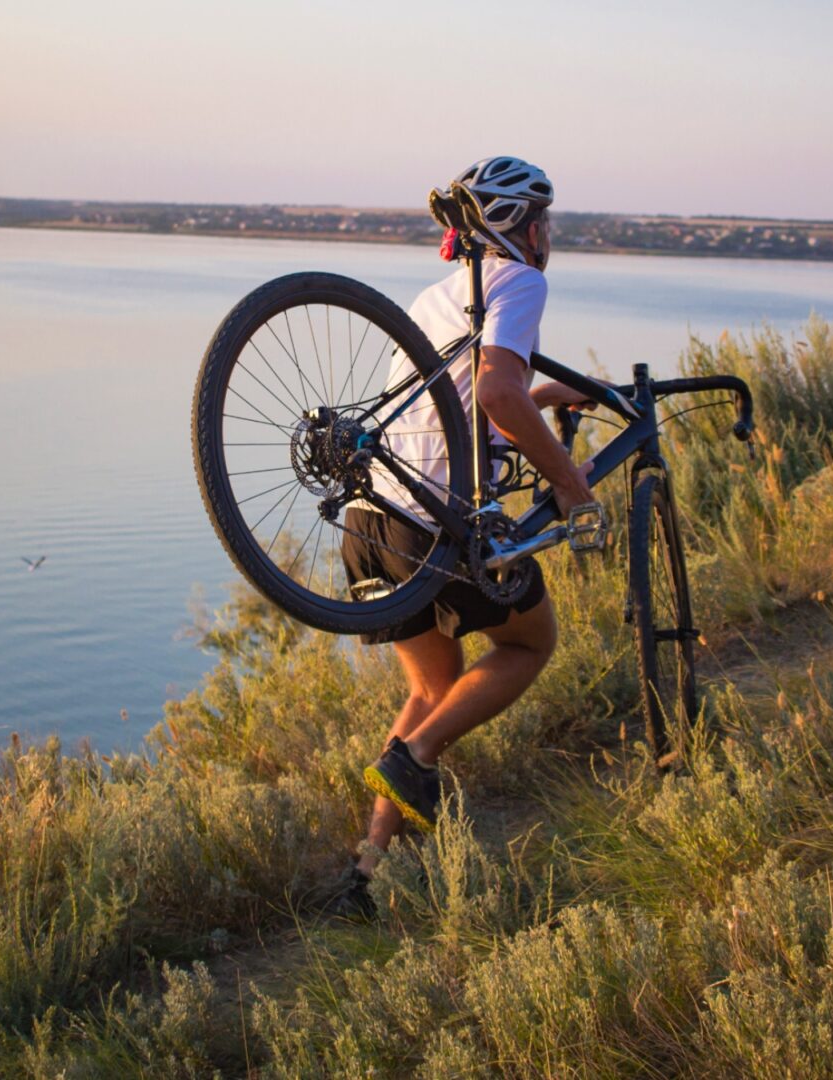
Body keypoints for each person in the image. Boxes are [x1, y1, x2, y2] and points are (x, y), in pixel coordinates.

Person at [324, 156, 600, 919]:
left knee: (429, 688)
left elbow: (455, 414)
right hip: (427, 527)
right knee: (528, 644)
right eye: (546, 220)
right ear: (522, 225)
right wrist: (574, 491)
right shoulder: (521, 281)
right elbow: (495, 392)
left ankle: (365, 877)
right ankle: (413, 760)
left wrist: (540, 398)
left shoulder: (438, 295)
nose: (552, 235)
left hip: (369, 521)